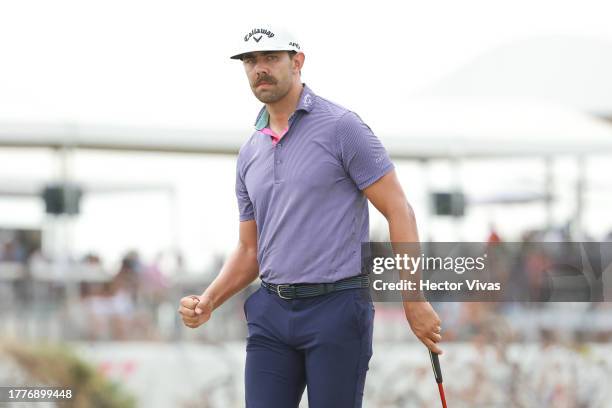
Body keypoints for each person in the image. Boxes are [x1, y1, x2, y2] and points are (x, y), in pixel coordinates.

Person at [178, 25, 443, 408]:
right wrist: (208, 300)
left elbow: (399, 210)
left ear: (297, 62)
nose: (259, 69)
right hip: (271, 311)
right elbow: (249, 250)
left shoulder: (342, 128)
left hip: (336, 308)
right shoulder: (249, 152)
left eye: (270, 58)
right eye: (250, 61)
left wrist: (413, 300)